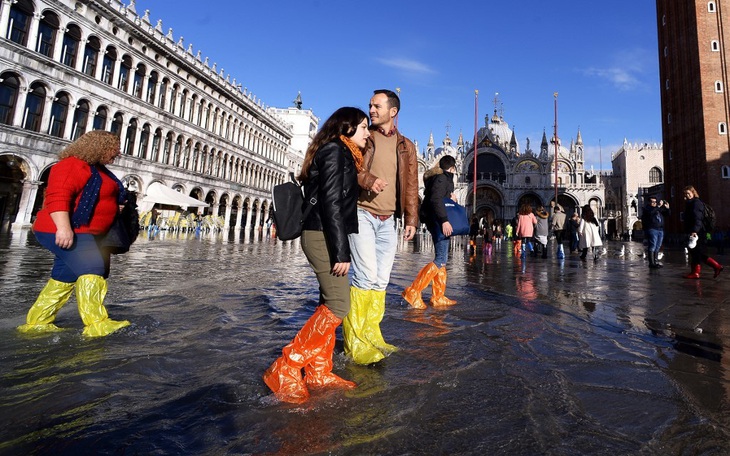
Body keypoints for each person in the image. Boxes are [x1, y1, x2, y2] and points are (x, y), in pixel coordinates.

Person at [263, 107, 368, 403]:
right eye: (362, 127)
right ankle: (287, 365)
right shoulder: (335, 151)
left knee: (328, 301)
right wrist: (341, 251)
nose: (367, 132)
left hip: (325, 232)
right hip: (322, 234)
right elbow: (331, 203)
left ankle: (319, 371)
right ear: (346, 127)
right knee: (339, 304)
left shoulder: (338, 152)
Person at [17, 131, 131, 337]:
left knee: (64, 277)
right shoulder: (71, 165)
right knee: (93, 269)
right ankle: (97, 323)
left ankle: (38, 321)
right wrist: (64, 228)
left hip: (86, 232)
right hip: (65, 229)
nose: (118, 152)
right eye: (114, 147)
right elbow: (58, 197)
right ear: (99, 146)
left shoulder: (99, 170)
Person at [343, 89, 419, 365]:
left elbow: (410, 184)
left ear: (393, 111)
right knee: (364, 276)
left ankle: (372, 333)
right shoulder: (365, 136)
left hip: (389, 220)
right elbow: (350, 167)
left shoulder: (406, 146)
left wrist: (411, 218)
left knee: (380, 279)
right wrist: (368, 180)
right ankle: (355, 342)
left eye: (376, 106)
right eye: (370, 105)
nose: (371, 110)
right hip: (362, 212)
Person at [402, 155, 458, 310]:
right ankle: (413, 291)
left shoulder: (439, 178)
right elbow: (435, 199)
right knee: (440, 259)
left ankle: (438, 296)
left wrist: (450, 197)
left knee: (442, 259)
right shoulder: (442, 179)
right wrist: (444, 220)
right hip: (438, 221)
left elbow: (438, 198)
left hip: (436, 220)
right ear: (452, 168)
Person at [682, 186, 723, 279]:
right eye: (685, 194)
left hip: (698, 232)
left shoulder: (696, 203)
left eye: (688, 193)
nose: (687, 195)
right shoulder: (690, 203)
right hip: (695, 231)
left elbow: (698, 218)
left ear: (693, 193)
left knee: (696, 252)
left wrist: (694, 231)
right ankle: (714, 267)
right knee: (695, 252)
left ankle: (699, 271)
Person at [641, 196, 670, 269]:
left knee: (658, 246)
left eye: (655, 202)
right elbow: (651, 213)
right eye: (652, 202)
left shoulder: (658, 209)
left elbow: (667, 214)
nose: (654, 203)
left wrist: (667, 208)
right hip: (652, 229)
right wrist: (659, 206)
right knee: (653, 245)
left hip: (660, 229)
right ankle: (651, 263)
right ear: (649, 202)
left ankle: (655, 261)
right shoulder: (647, 209)